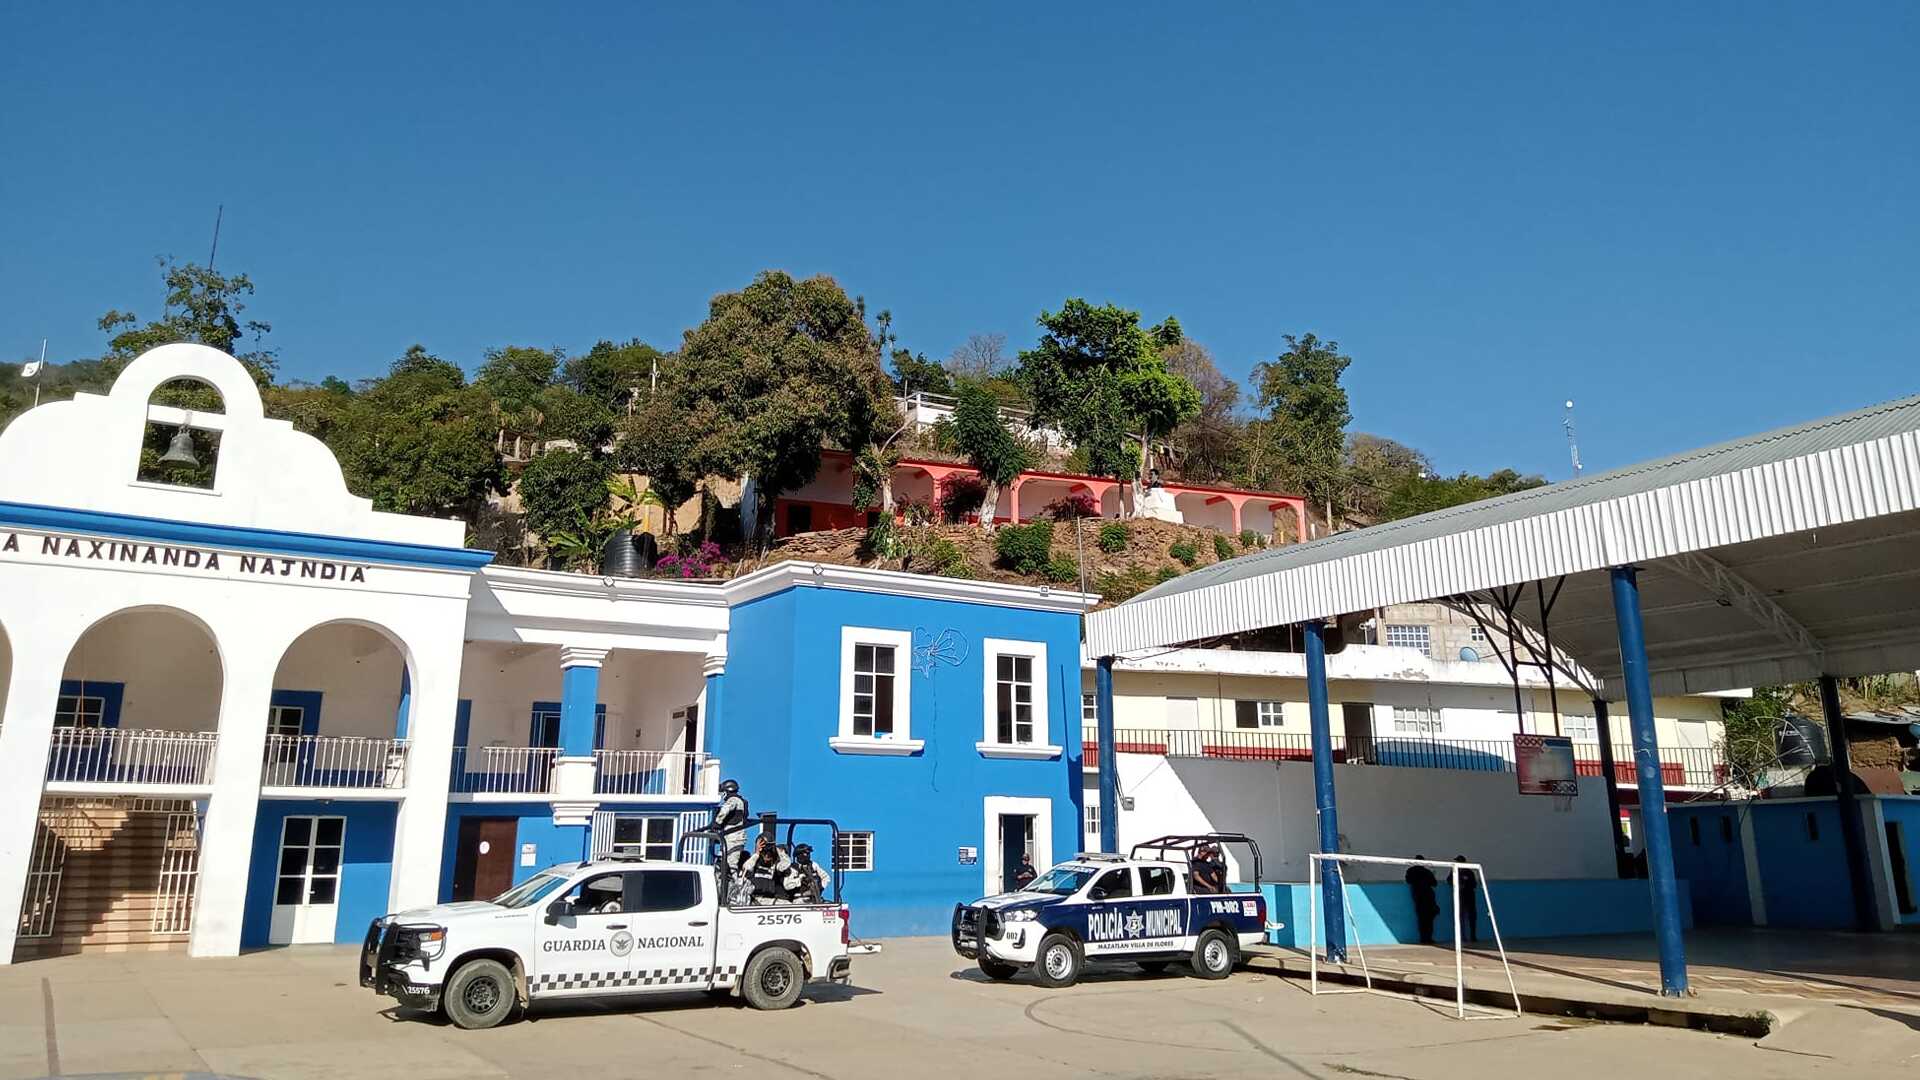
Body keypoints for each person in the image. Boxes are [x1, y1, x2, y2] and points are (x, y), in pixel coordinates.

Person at [743, 833, 791, 905]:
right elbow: (747, 868)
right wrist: (756, 854)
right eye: (765, 853)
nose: (767, 855)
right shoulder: (753, 862)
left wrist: (779, 851)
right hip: (753, 900)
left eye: (770, 852)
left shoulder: (774, 864)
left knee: (788, 906)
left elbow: (785, 865)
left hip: (769, 899)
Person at [1405, 856, 1440, 945]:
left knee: (1421, 919)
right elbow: (1434, 883)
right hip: (1428, 897)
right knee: (1429, 919)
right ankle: (1428, 938)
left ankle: (1423, 938)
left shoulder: (1411, 871)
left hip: (1418, 898)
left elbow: (1408, 881)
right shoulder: (1427, 872)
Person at [1453, 856, 1479, 943]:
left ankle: (1473, 936)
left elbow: (1474, 884)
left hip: (1469, 896)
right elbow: (1449, 880)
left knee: (1472, 917)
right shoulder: (1454, 871)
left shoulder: (1469, 872)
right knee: (1460, 917)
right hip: (1460, 897)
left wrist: (1466, 883)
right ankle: (1462, 936)